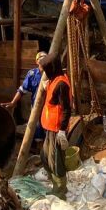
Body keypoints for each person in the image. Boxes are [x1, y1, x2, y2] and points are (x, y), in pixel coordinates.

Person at [38, 53, 72, 198]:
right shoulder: (53, 80)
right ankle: (55, 185)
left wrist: (62, 131)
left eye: (45, 69)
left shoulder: (62, 84)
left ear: (51, 68)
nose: (44, 72)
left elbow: (66, 109)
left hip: (57, 129)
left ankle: (60, 190)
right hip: (49, 128)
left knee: (56, 161)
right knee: (45, 156)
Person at [7, 51, 47, 121]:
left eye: (45, 57)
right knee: (35, 128)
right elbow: (22, 90)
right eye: (41, 57)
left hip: (49, 108)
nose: (43, 59)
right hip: (36, 106)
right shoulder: (32, 74)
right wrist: (13, 102)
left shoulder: (52, 73)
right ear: (36, 62)